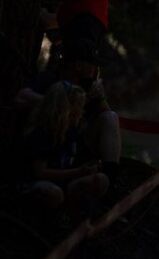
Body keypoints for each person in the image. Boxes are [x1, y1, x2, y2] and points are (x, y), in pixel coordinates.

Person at [15, 38, 121, 179]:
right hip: (49, 145)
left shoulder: (88, 86)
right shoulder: (50, 79)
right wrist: (59, 102)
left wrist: (100, 98)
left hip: (78, 143)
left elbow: (106, 117)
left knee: (111, 117)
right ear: (79, 65)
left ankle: (110, 176)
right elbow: (21, 98)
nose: (95, 70)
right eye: (92, 64)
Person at [18, 81, 109, 216]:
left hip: (63, 184)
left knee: (101, 180)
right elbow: (40, 172)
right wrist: (78, 172)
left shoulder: (71, 132)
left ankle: (71, 215)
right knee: (54, 194)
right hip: (36, 184)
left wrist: (88, 168)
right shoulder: (43, 133)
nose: (82, 111)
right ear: (67, 109)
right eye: (79, 106)